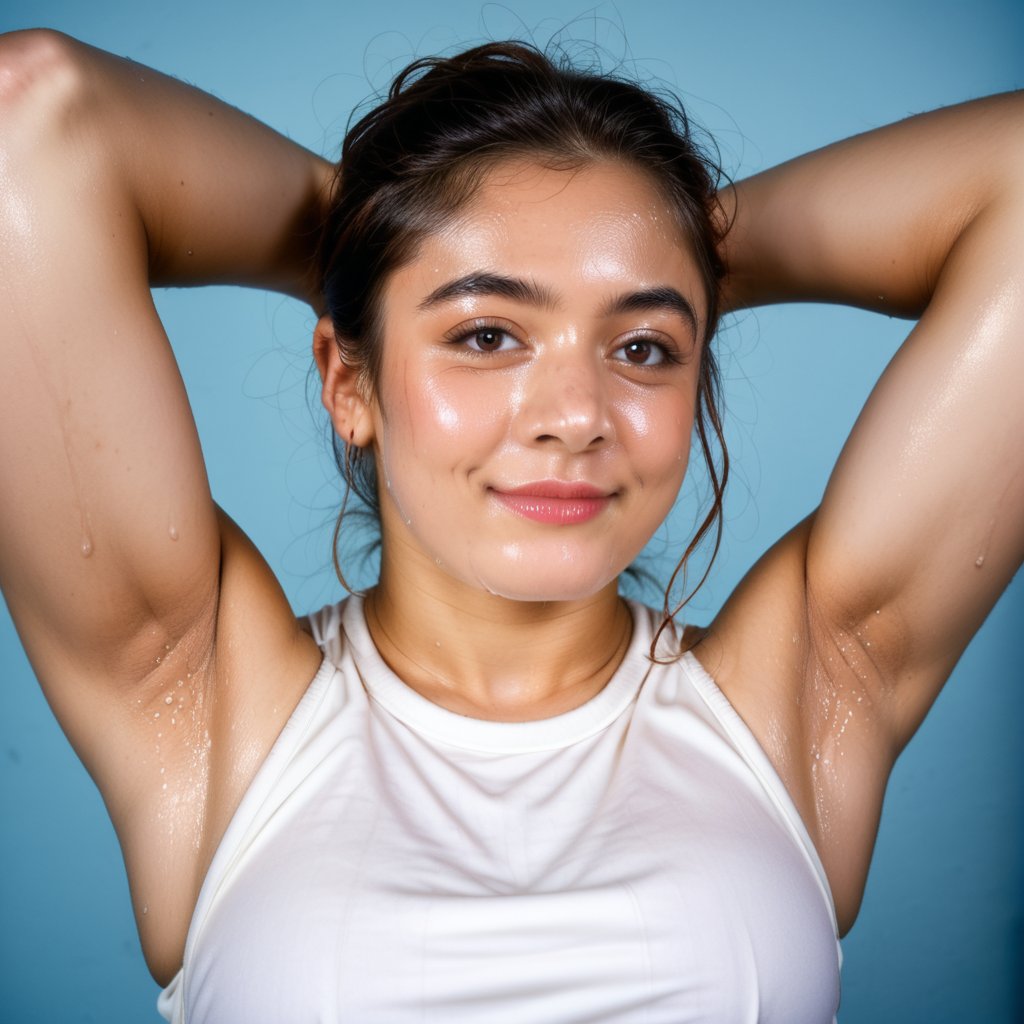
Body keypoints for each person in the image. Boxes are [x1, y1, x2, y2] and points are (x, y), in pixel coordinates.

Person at [0, 26, 1021, 1024]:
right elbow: (34, 114)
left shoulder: (806, 697)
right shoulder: (203, 707)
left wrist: (678, 238)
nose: (576, 413)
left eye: (644, 345)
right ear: (346, 379)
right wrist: (369, 225)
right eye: (486, 333)